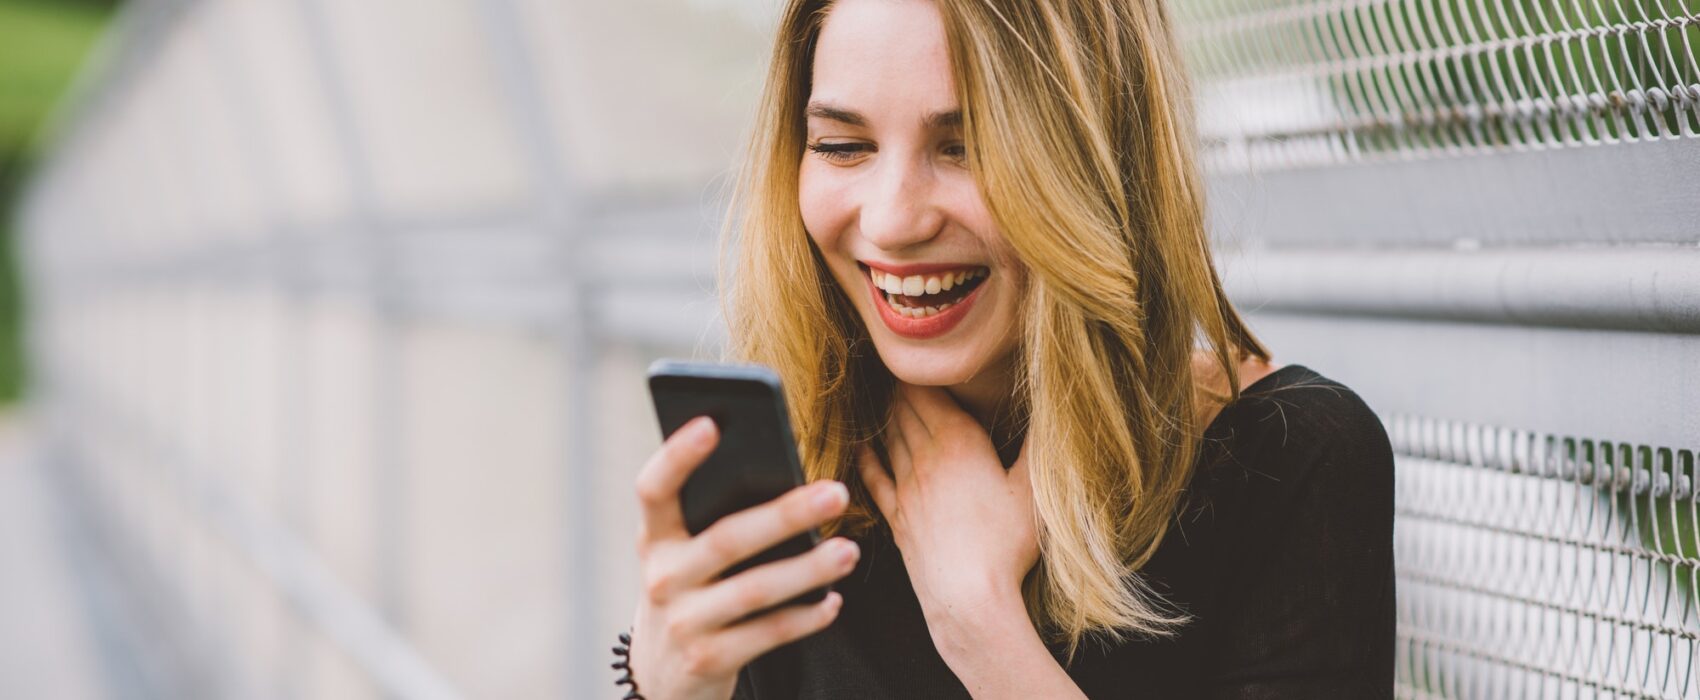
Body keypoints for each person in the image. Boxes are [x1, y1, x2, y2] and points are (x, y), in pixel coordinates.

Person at [621, 0, 1396, 698]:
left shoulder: (1290, 461)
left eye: (965, 146)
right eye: (843, 144)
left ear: (1094, 161)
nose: (892, 221)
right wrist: (666, 688)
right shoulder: (795, 472)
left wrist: (982, 630)